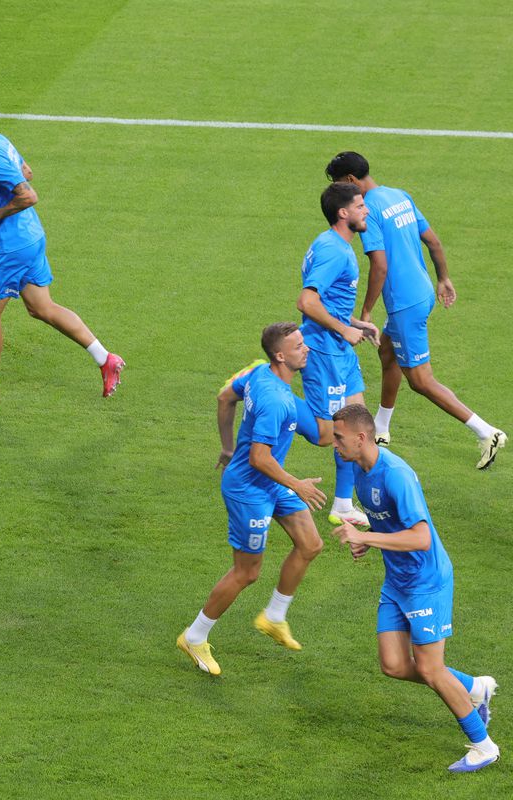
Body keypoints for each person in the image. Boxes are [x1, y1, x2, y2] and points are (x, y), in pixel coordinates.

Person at [330, 403, 499, 772]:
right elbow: (388, 524)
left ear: (362, 437)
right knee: (393, 665)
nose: (334, 443)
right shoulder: (357, 467)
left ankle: (483, 746)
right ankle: (475, 687)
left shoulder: (396, 475)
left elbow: (421, 538)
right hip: (397, 581)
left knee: (431, 669)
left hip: (426, 582)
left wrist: (366, 537)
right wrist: (367, 537)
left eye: (339, 437)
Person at [325, 152, 505, 469]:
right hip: (422, 291)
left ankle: (486, 432)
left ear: (351, 180)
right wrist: (444, 278)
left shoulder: (368, 211)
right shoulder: (398, 195)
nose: (340, 192)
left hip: (405, 304)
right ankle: (381, 427)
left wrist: (365, 313)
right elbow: (433, 242)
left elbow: (379, 265)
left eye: (340, 184)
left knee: (421, 381)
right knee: (387, 353)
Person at [0, 97, 124, 411]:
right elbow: (25, 171)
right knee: (42, 307)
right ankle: (105, 358)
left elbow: (28, 194)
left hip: (10, 246)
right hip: (31, 237)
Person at [178, 323, 327, 676]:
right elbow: (260, 458)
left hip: (270, 481)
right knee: (247, 572)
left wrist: (228, 447)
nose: (306, 348)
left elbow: (224, 397)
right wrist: (297, 485)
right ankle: (194, 636)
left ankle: (274, 616)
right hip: (250, 490)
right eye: (298, 346)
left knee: (310, 543)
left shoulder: (258, 372)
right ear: (280, 356)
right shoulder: (276, 401)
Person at [296, 181, 380, 527]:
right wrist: (344, 330)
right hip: (324, 352)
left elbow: (329, 303)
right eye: (360, 206)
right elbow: (307, 301)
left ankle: (343, 505)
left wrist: (356, 324)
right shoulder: (334, 251)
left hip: (341, 351)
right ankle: (269, 392)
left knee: (358, 427)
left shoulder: (332, 243)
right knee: (326, 434)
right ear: (343, 213)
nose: (367, 210)